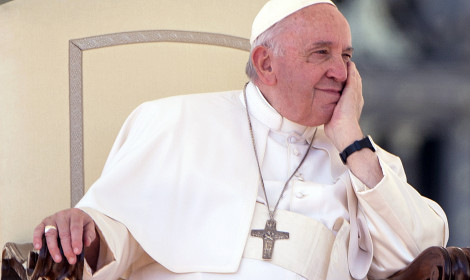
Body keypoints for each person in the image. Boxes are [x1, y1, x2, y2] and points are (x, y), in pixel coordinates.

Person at [33, 0, 449, 279]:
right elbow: (114, 233)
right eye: (321, 53)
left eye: (346, 57)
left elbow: (420, 257)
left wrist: (351, 140)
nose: (340, 72)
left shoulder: (363, 160)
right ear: (265, 63)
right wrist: (82, 225)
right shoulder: (174, 121)